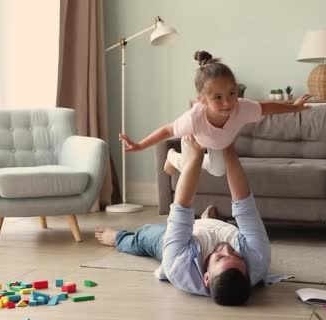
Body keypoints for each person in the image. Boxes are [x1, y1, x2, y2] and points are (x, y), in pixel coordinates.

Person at [95, 135, 271, 306]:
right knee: (219, 230)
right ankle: (206, 221)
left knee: (144, 236)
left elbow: (181, 205)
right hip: (220, 230)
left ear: (206, 277)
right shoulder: (257, 258)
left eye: (219, 258)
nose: (226, 249)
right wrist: (229, 147)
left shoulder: (178, 265)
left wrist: (195, 157)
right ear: (247, 269)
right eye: (236, 255)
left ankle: (118, 238)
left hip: (188, 246)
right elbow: (244, 204)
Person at [119, 50, 312, 177]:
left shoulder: (242, 107)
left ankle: (188, 158)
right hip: (194, 140)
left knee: (219, 171)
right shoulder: (194, 119)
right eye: (217, 98)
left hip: (218, 142)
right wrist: (139, 145)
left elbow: (267, 108)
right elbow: (167, 131)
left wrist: (294, 107)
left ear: (237, 89)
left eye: (231, 93)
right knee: (188, 168)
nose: (227, 102)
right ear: (202, 100)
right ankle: (172, 157)